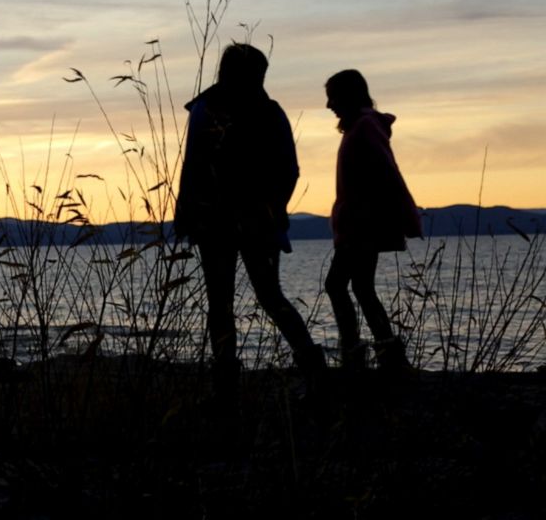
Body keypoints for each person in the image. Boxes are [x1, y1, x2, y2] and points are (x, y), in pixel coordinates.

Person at [175, 44, 326, 393]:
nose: (260, 80)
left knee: (239, 301)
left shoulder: (209, 111)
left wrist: (188, 214)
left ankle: (232, 383)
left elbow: (192, 168)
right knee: (256, 299)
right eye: (258, 74)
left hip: (229, 223)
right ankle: (298, 371)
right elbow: (194, 166)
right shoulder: (249, 112)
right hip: (226, 223)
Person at [323, 69, 421, 373]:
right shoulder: (360, 127)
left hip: (362, 227)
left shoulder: (365, 127)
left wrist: (406, 217)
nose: (329, 106)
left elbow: (388, 173)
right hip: (359, 225)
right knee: (361, 288)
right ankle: (389, 358)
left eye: (333, 98)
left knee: (337, 285)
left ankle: (357, 355)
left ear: (348, 96)